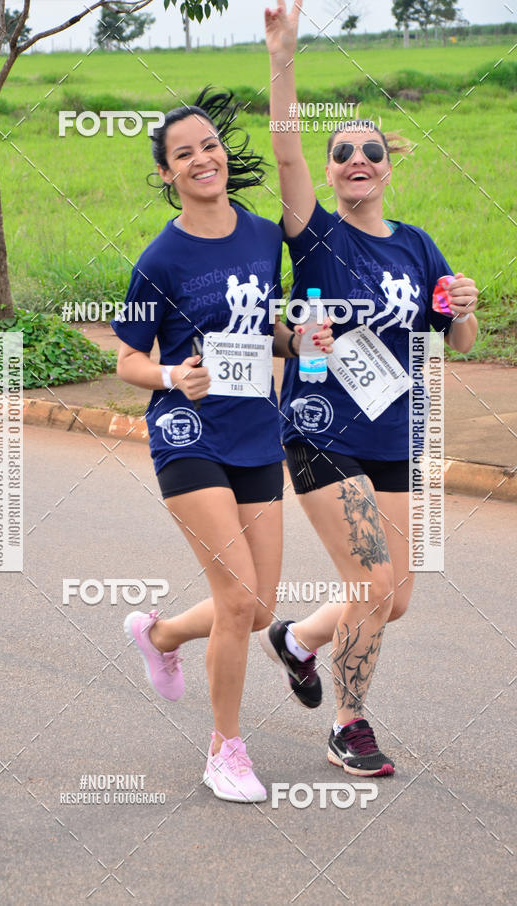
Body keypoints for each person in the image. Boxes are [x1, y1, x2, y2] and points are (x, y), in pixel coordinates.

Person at [261, 1, 479, 777]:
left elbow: (454, 339)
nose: (358, 159)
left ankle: (297, 640)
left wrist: (466, 311)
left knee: (397, 597)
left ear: (388, 166)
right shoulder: (317, 234)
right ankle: (349, 723)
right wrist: (284, 57)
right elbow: (284, 152)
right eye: (343, 151)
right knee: (371, 580)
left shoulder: (418, 245)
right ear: (329, 169)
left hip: (394, 435)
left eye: (371, 151)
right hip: (321, 429)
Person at [113, 89, 333, 802]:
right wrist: (173, 373)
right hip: (186, 432)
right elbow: (127, 361)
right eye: (184, 154)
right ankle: (225, 751)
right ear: (166, 175)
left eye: (208, 146)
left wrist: (296, 338)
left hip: (254, 430)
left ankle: (164, 635)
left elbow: (263, 324)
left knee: (258, 608)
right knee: (238, 596)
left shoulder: (263, 235)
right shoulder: (161, 257)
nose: (202, 158)